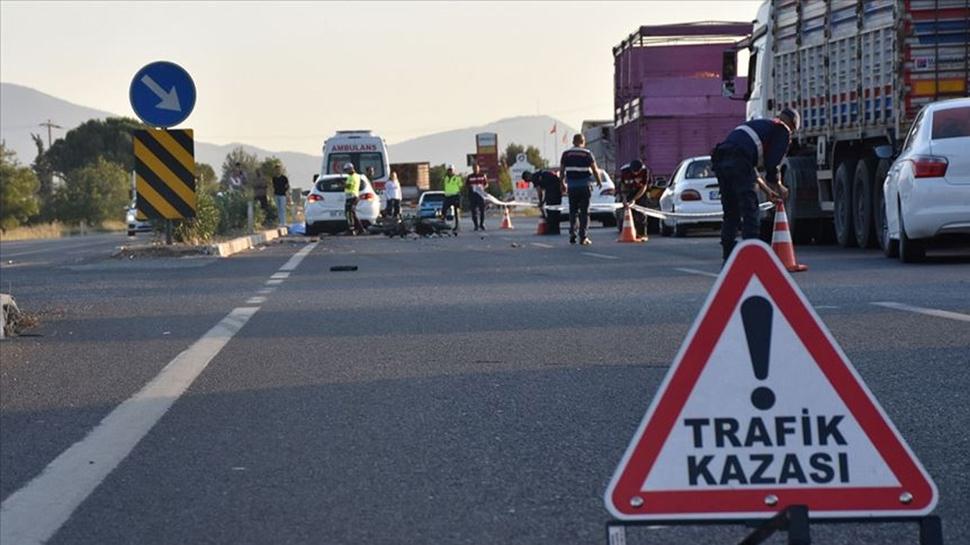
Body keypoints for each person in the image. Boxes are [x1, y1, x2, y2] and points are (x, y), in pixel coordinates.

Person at [711, 108, 798, 261]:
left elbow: (750, 170)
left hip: (721, 157)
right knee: (750, 210)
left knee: (731, 211)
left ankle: (728, 256)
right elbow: (772, 164)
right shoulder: (782, 130)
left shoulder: (761, 125)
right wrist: (779, 186)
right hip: (739, 159)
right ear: (792, 125)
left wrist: (767, 191)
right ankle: (751, 256)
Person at [559, 134, 602, 245]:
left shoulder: (566, 154)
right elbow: (595, 169)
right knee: (584, 212)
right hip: (584, 186)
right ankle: (583, 237)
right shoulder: (587, 153)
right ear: (583, 142)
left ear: (573, 142)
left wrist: (562, 183)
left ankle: (572, 233)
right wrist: (599, 181)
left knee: (573, 211)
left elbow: (562, 170)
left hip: (572, 187)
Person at [618, 159, 652, 240]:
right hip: (628, 190)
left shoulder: (645, 171)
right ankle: (630, 233)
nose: (635, 173)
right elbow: (623, 185)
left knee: (641, 214)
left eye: (637, 172)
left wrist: (634, 199)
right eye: (634, 172)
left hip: (641, 192)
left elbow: (644, 187)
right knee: (628, 212)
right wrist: (624, 198)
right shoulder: (625, 171)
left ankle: (642, 234)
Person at [523, 169, 562, 235]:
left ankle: (552, 230)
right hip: (557, 188)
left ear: (527, 177)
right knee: (556, 210)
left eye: (528, 180)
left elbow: (539, 192)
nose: (529, 182)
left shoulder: (534, 178)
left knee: (550, 210)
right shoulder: (540, 174)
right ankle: (556, 230)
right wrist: (543, 201)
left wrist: (541, 202)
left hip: (552, 190)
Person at [466, 163, 489, 231]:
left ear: (479, 168)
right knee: (474, 211)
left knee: (482, 210)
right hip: (473, 196)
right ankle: (476, 225)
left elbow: (486, 184)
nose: (476, 169)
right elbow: (467, 185)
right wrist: (471, 187)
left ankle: (481, 224)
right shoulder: (470, 176)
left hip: (480, 195)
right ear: (473, 169)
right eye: (474, 168)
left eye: (477, 168)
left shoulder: (482, 175)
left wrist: (482, 187)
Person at [343, 162, 364, 235]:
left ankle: (351, 229)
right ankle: (360, 229)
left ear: (350, 169)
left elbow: (349, 187)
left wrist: (342, 184)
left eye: (346, 170)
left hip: (351, 197)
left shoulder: (351, 177)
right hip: (354, 196)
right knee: (352, 213)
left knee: (349, 214)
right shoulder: (357, 176)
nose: (346, 172)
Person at [441, 165, 463, 232]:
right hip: (447, 196)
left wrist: (459, 195)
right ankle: (442, 224)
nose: (450, 171)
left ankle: (457, 226)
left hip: (455, 196)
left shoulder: (457, 178)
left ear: (453, 170)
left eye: (451, 170)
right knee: (443, 210)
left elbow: (461, 186)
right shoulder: (445, 178)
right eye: (449, 170)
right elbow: (444, 186)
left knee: (456, 211)